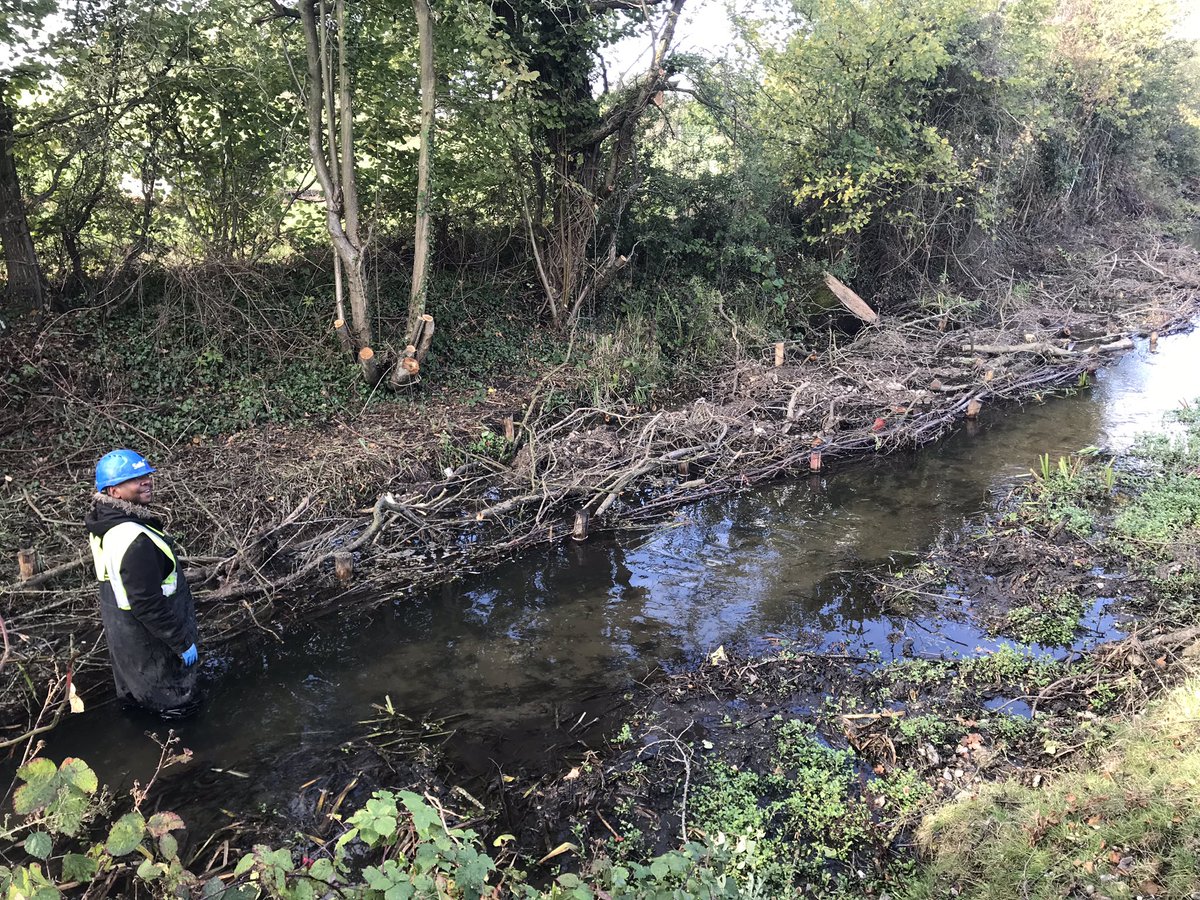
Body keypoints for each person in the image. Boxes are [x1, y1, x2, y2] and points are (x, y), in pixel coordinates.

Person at [85, 449, 200, 715]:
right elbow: (146, 603)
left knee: (137, 705)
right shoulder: (133, 538)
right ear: (114, 492)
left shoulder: (104, 521)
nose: (146, 481)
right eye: (135, 479)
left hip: (123, 636)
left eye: (146, 474)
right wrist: (181, 642)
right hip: (150, 641)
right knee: (177, 711)